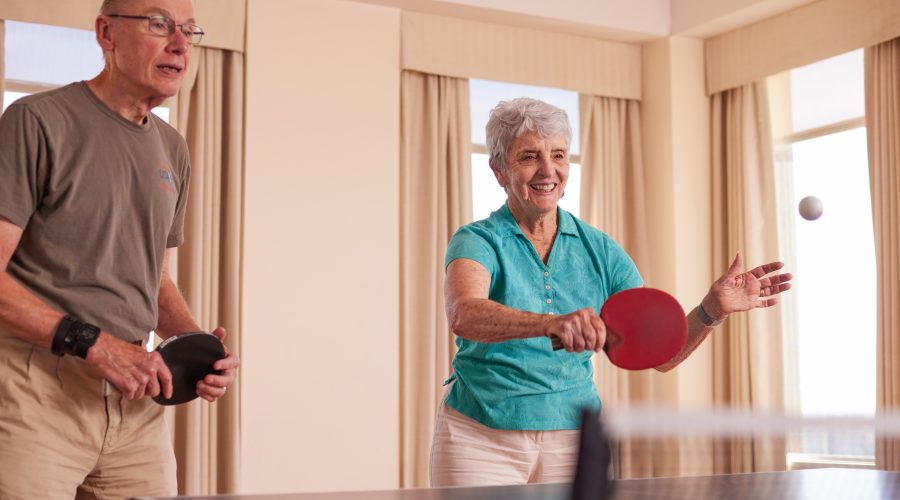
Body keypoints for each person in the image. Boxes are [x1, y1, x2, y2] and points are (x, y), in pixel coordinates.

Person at [429, 97, 792, 487]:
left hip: (575, 437)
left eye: (559, 155)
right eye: (529, 157)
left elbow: (658, 352)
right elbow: (464, 314)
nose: (548, 170)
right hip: (480, 435)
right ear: (499, 170)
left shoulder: (599, 249)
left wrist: (711, 309)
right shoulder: (477, 240)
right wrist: (552, 324)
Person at [0, 0, 239, 498]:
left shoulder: (173, 148)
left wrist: (196, 346)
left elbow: (154, 280)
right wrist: (95, 343)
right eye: (159, 24)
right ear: (107, 34)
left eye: (188, 30)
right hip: (34, 393)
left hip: (134, 406)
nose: (180, 44)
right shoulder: (35, 121)